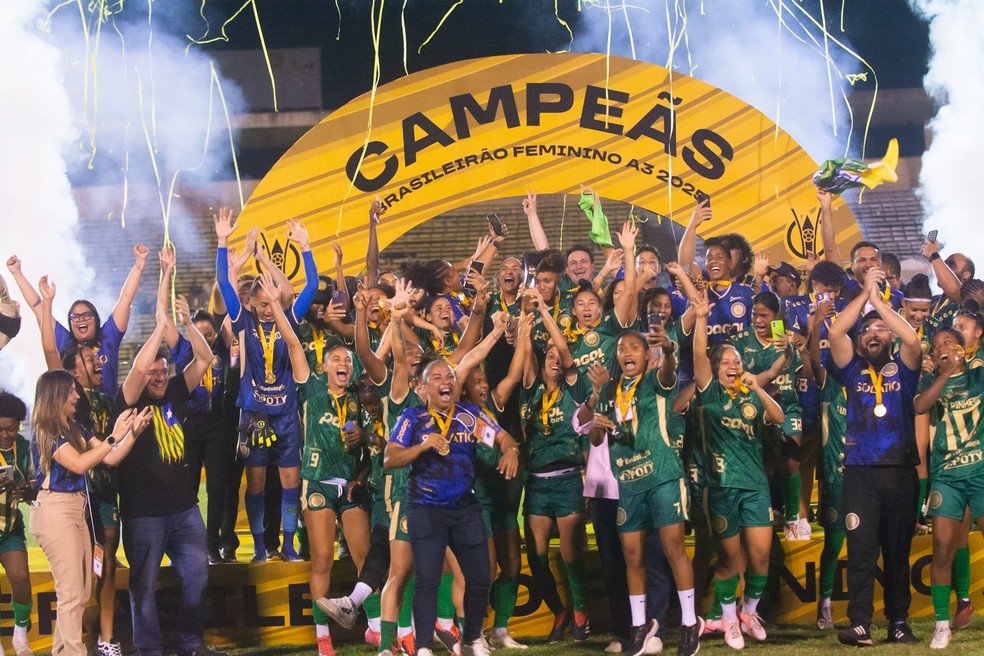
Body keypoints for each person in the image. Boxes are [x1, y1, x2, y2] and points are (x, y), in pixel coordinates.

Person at [579, 329, 704, 656]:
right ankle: (638, 626)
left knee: (673, 550)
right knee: (632, 556)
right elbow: (595, 439)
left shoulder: (655, 381)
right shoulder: (609, 391)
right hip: (629, 483)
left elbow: (669, 372)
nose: (627, 353)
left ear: (647, 356)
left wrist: (669, 350)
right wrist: (598, 424)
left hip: (662, 476)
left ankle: (689, 623)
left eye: (635, 347)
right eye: (622, 349)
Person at [385, 359, 520, 656]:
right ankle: (423, 647)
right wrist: (422, 446)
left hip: (464, 507)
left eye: (449, 376)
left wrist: (510, 450)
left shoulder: (469, 416)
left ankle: (471, 639)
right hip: (426, 507)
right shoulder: (412, 417)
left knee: (481, 576)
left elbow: (502, 437)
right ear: (424, 387)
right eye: (436, 377)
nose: (445, 381)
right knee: (428, 579)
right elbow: (390, 458)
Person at [114, 288, 222, 656]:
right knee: (143, 586)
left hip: (184, 509)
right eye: (153, 373)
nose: (159, 378)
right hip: (143, 513)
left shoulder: (176, 389)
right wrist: (160, 328)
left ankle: (191, 643)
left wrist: (187, 323)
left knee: (197, 577)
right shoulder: (129, 398)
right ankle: (149, 650)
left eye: (164, 371)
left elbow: (205, 359)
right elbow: (138, 368)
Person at [214, 208, 319, 562]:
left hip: (286, 413)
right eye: (260, 305)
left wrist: (306, 247)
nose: (266, 310)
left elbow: (312, 285)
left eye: (270, 304)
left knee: (290, 483)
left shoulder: (289, 317)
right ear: (251, 303)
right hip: (254, 414)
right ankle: (260, 549)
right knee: (256, 483)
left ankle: (287, 545)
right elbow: (225, 283)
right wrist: (223, 242)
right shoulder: (242, 320)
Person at [828, 266, 922, 646]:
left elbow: (912, 338)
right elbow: (835, 333)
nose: (873, 333)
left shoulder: (905, 367)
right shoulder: (852, 369)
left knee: (897, 552)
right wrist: (864, 295)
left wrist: (879, 305)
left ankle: (899, 622)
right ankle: (860, 624)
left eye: (881, 329)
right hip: (860, 472)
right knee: (861, 551)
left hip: (900, 469)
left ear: (890, 335)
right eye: (867, 330)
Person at [693, 289, 785, 650]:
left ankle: (748, 612)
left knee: (760, 557)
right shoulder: (709, 393)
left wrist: (757, 387)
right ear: (716, 369)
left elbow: (778, 416)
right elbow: (698, 355)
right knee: (730, 558)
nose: (734, 366)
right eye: (727, 362)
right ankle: (729, 620)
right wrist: (702, 318)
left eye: (737, 361)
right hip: (721, 487)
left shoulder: (749, 395)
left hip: (755, 486)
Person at [30, 370, 145, 656]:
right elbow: (80, 464)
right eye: (71, 391)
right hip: (56, 512)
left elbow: (111, 457)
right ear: (56, 394)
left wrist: (131, 434)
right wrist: (113, 436)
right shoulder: (46, 429)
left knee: (80, 592)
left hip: (77, 509)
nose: (76, 395)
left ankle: (61, 652)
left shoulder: (74, 426)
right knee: (71, 594)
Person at [913, 328, 984, 649]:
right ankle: (942, 624)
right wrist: (945, 373)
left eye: (948, 342)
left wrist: (965, 364)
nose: (941, 347)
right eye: (936, 345)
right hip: (947, 478)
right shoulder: (929, 383)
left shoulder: (978, 377)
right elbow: (920, 406)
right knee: (942, 549)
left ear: (961, 348)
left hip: (980, 473)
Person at [7, 244, 150, 395]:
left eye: (87, 315)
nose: (81, 319)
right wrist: (17, 273)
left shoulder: (109, 336)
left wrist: (139, 263)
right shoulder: (65, 341)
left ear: (96, 320)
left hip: (109, 408)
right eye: (75, 316)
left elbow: (125, 299)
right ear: (70, 323)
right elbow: (38, 307)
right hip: (75, 409)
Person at [0, 391, 35, 656]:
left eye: (10, 429)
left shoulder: (23, 447)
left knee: (21, 577)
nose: (5, 435)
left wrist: (24, 487)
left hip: (9, 528)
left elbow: (34, 486)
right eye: (0, 430)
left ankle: (20, 638)